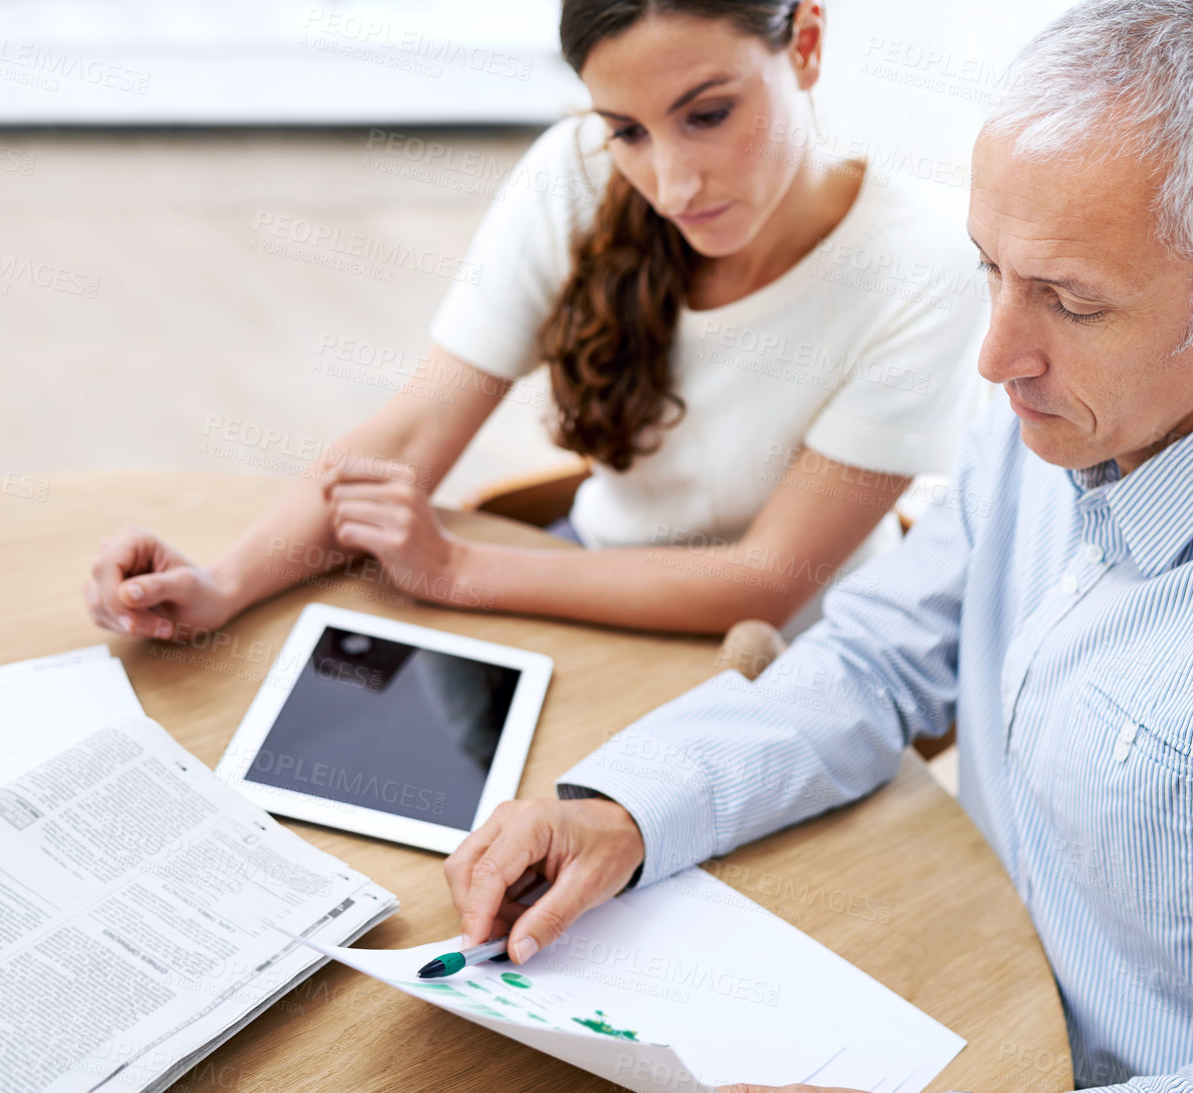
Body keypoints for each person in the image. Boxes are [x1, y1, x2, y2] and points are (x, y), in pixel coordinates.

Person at [440, 1, 1193, 1093]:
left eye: (1070, 301)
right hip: (978, 1010)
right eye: (990, 271)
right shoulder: (1064, 403)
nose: (995, 352)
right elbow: (875, 660)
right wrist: (624, 807)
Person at [82, 0, 988, 642]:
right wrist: (220, 585)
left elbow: (764, 583)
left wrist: (458, 570)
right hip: (587, 572)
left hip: (802, 647)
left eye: (708, 115)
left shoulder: (924, 262)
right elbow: (415, 426)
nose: (672, 186)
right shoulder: (573, 173)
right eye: (628, 129)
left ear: (808, 43)